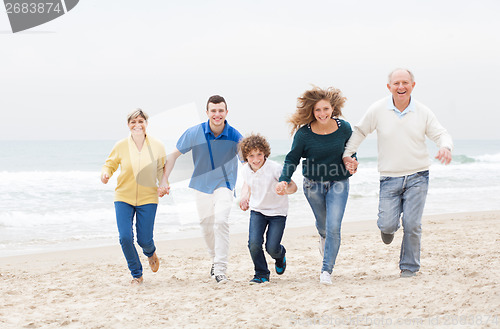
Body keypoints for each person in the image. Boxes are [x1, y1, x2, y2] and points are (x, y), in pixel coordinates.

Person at [343, 68, 453, 278]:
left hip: (418, 176)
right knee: (387, 224)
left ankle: (409, 267)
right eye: (396, 83)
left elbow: (440, 133)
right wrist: (348, 155)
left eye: (405, 83)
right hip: (389, 177)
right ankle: (387, 229)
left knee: (412, 224)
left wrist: (445, 147)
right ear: (389, 87)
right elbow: (360, 131)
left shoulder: (422, 111)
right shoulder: (377, 109)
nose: (401, 87)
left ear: (412, 85)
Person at [276, 86, 357, 285]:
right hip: (313, 185)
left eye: (326, 109)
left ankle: (326, 271)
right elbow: (291, 159)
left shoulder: (344, 128)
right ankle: (323, 238)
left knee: (334, 227)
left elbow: (351, 152)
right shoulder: (304, 134)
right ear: (312, 111)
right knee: (323, 227)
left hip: (339, 182)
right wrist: (284, 179)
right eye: (318, 110)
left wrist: (352, 162)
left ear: (333, 108)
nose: (322, 114)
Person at [158, 95, 242, 284]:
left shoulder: (235, 135)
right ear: (207, 113)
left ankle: (220, 268)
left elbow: (250, 162)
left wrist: (252, 188)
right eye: (213, 110)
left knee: (221, 222)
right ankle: (214, 259)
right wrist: (164, 180)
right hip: (201, 185)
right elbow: (172, 156)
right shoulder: (195, 133)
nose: (217, 114)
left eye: (221, 110)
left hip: (225, 185)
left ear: (226, 112)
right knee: (206, 227)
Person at [101, 109, 166, 285]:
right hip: (123, 196)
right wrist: (106, 174)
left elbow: (161, 169)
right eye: (133, 122)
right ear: (128, 125)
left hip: (148, 198)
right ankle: (137, 274)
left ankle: (151, 253)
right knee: (125, 238)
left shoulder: (157, 146)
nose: (137, 125)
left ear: (146, 123)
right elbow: (110, 164)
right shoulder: (121, 145)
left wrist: (163, 184)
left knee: (144, 240)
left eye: (141, 121)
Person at [238, 134, 297, 284]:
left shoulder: (275, 169)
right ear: (245, 156)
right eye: (251, 155)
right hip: (257, 211)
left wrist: (285, 189)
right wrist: (244, 197)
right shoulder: (245, 169)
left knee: (272, 247)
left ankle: (280, 255)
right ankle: (261, 274)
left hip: (278, 212)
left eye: (259, 154)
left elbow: (293, 186)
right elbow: (248, 184)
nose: (256, 159)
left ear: (265, 153)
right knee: (254, 243)